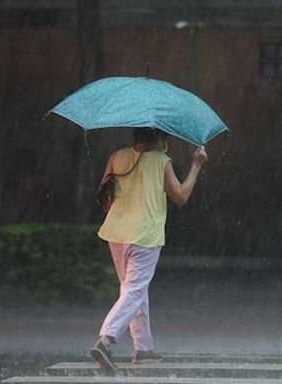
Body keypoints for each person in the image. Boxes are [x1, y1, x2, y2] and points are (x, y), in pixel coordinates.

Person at [90, 128, 208, 370]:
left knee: (133, 290)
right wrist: (196, 165)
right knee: (134, 291)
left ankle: (143, 349)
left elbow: (106, 192)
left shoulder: (117, 156)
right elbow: (181, 196)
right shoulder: (161, 161)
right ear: (161, 139)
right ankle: (106, 339)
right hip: (145, 235)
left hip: (117, 233)